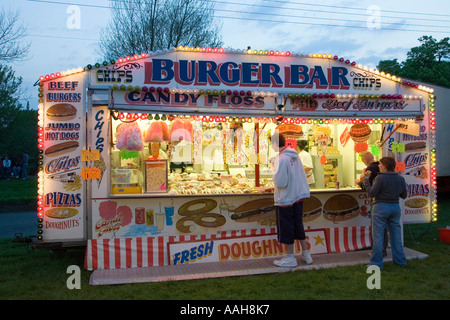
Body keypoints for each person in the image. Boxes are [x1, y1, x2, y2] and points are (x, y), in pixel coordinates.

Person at [270, 132, 312, 267]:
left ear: (275, 144)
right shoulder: (294, 155)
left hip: (286, 198)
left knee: (287, 227)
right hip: (297, 196)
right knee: (298, 225)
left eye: (272, 144)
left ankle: (290, 257)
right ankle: (306, 253)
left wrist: (273, 168)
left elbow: (281, 182)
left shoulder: (282, 159)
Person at [362, 156, 408, 268]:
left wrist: (366, 180)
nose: (378, 166)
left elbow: (372, 193)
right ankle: (400, 261)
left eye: (380, 164)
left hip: (380, 208)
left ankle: (376, 262)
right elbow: (404, 195)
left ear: (385, 166)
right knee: (396, 236)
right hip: (395, 207)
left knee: (378, 236)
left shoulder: (380, 178)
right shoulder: (400, 178)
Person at [357, 151, 388, 257]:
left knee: (376, 229)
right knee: (385, 229)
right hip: (390, 204)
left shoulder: (370, 170)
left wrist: (361, 182)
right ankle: (383, 250)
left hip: (378, 203)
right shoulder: (386, 172)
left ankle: (377, 252)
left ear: (364, 160)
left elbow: (369, 189)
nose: (380, 165)